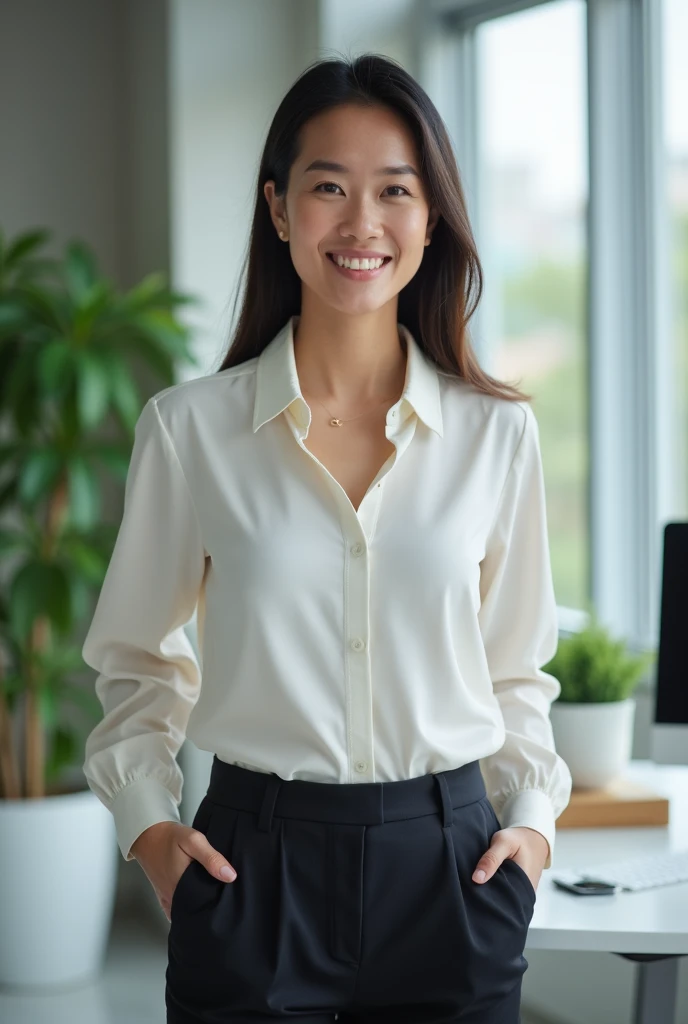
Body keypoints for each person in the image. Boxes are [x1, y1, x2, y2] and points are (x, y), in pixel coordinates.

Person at [81, 52, 572, 1024]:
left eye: (395, 190)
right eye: (327, 188)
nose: (361, 223)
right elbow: (134, 656)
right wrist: (150, 829)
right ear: (277, 209)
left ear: (430, 218)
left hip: (453, 872)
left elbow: (515, 669)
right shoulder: (189, 432)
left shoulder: (494, 434)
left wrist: (534, 829)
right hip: (252, 870)